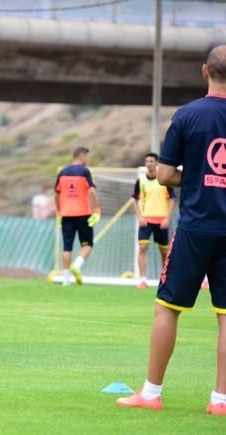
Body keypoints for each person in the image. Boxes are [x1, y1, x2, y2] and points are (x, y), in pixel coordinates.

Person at [116, 45, 226, 414]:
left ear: (204, 72)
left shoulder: (188, 115)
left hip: (195, 227)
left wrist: (196, 179)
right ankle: (221, 401)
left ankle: (151, 393)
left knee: (168, 309)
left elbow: (163, 174)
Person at [54, 147, 101, 286]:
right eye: (86, 157)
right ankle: (77, 265)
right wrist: (97, 209)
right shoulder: (85, 171)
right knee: (87, 244)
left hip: (66, 214)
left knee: (67, 247)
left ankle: (66, 280)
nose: (87, 160)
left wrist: (59, 211)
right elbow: (92, 192)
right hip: (83, 214)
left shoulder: (62, 172)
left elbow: (57, 194)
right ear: (81, 156)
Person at [132, 153, 176, 289]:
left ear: (157, 163)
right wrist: (140, 217)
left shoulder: (164, 180)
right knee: (143, 248)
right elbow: (134, 200)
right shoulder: (141, 181)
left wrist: (167, 218)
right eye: (146, 161)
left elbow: (172, 200)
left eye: (151, 161)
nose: (148, 163)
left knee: (164, 252)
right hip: (146, 221)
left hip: (161, 221)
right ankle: (143, 279)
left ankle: (164, 279)